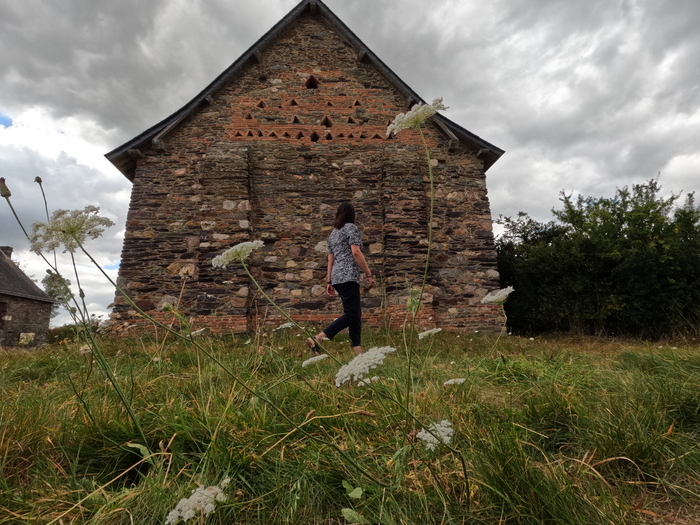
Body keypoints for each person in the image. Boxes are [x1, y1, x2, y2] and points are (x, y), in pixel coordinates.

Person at [307, 202, 374, 356]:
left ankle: (358, 354)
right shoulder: (351, 228)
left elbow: (330, 260)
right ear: (352, 214)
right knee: (352, 314)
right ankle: (319, 337)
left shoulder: (333, 234)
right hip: (348, 275)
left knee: (355, 316)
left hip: (337, 276)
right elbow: (356, 252)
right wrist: (369, 274)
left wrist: (329, 282)